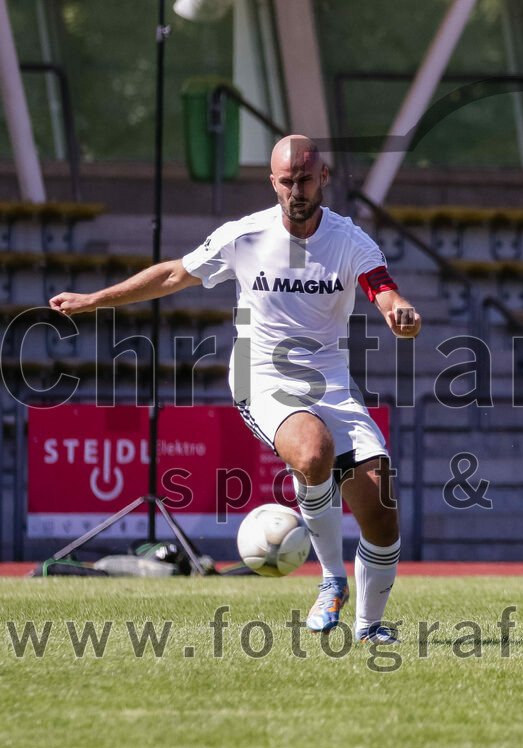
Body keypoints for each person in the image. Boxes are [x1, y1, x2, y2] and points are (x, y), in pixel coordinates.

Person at [49, 135, 420, 643]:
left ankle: (369, 627)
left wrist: (400, 314)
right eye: (286, 182)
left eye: (305, 180)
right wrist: (95, 299)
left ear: (324, 178)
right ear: (273, 182)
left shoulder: (351, 240)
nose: (296, 191)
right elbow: (173, 274)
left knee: (381, 514)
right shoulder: (244, 236)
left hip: (331, 381)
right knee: (313, 452)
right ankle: (332, 579)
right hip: (262, 377)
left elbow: (384, 290)